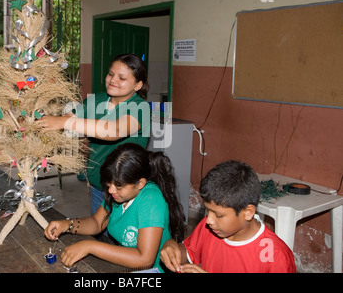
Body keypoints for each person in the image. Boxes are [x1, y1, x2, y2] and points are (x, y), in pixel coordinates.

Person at [38, 54, 151, 215]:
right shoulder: (96, 100)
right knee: (98, 230)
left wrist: (65, 123)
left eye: (122, 78)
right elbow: (68, 117)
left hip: (126, 189)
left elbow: (114, 130)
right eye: (111, 74)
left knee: (124, 235)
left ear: (138, 85)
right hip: (99, 185)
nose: (113, 80)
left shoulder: (140, 108)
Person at [44, 143, 185, 272]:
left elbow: (144, 260)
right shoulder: (119, 194)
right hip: (124, 265)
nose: (111, 190)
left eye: (118, 186)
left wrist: (90, 246)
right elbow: (97, 223)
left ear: (140, 183)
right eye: (109, 184)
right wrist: (68, 224)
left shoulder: (151, 200)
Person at [160, 160, 296, 273]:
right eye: (208, 211)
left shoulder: (275, 256)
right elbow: (188, 252)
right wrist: (172, 247)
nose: (209, 220)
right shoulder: (211, 229)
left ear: (248, 212)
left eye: (219, 215)